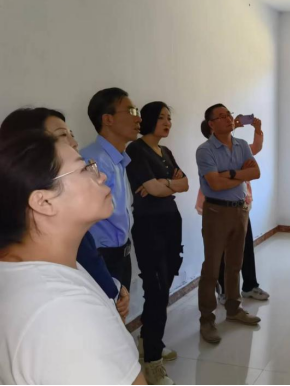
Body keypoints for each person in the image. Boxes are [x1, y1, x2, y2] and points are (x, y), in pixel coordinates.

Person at [0, 131, 146, 385]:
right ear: (44, 201)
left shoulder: (45, 264)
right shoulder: (63, 311)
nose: (101, 176)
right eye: (85, 168)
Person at [0, 107, 130, 322]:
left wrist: (113, 287)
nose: (74, 143)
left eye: (72, 134)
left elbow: (91, 265)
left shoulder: (67, 244)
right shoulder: (57, 302)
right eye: (61, 136)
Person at [126, 102, 188, 386]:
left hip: (171, 221)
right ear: (149, 119)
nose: (167, 122)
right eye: (162, 117)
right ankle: (152, 362)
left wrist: (163, 184)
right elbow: (151, 189)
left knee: (166, 281)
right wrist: (166, 184)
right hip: (149, 226)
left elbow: (185, 183)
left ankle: (149, 340)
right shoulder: (136, 150)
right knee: (157, 289)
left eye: (169, 118)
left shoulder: (166, 151)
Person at [196, 104, 262, 345]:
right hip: (216, 212)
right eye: (221, 116)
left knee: (235, 263)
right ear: (211, 124)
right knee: (212, 268)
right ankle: (207, 319)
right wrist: (239, 173)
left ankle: (234, 309)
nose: (227, 119)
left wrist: (229, 174)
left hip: (240, 210)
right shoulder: (205, 150)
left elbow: (256, 173)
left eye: (228, 114)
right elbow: (214, 184)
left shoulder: (242, 145)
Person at [81, 88, 141, 292]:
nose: (138, 119)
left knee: (121, 308)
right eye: (131, 111)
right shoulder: (92, 160)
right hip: (102, 255)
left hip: (121, 253)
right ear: (108, 119)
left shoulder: (118, 158)